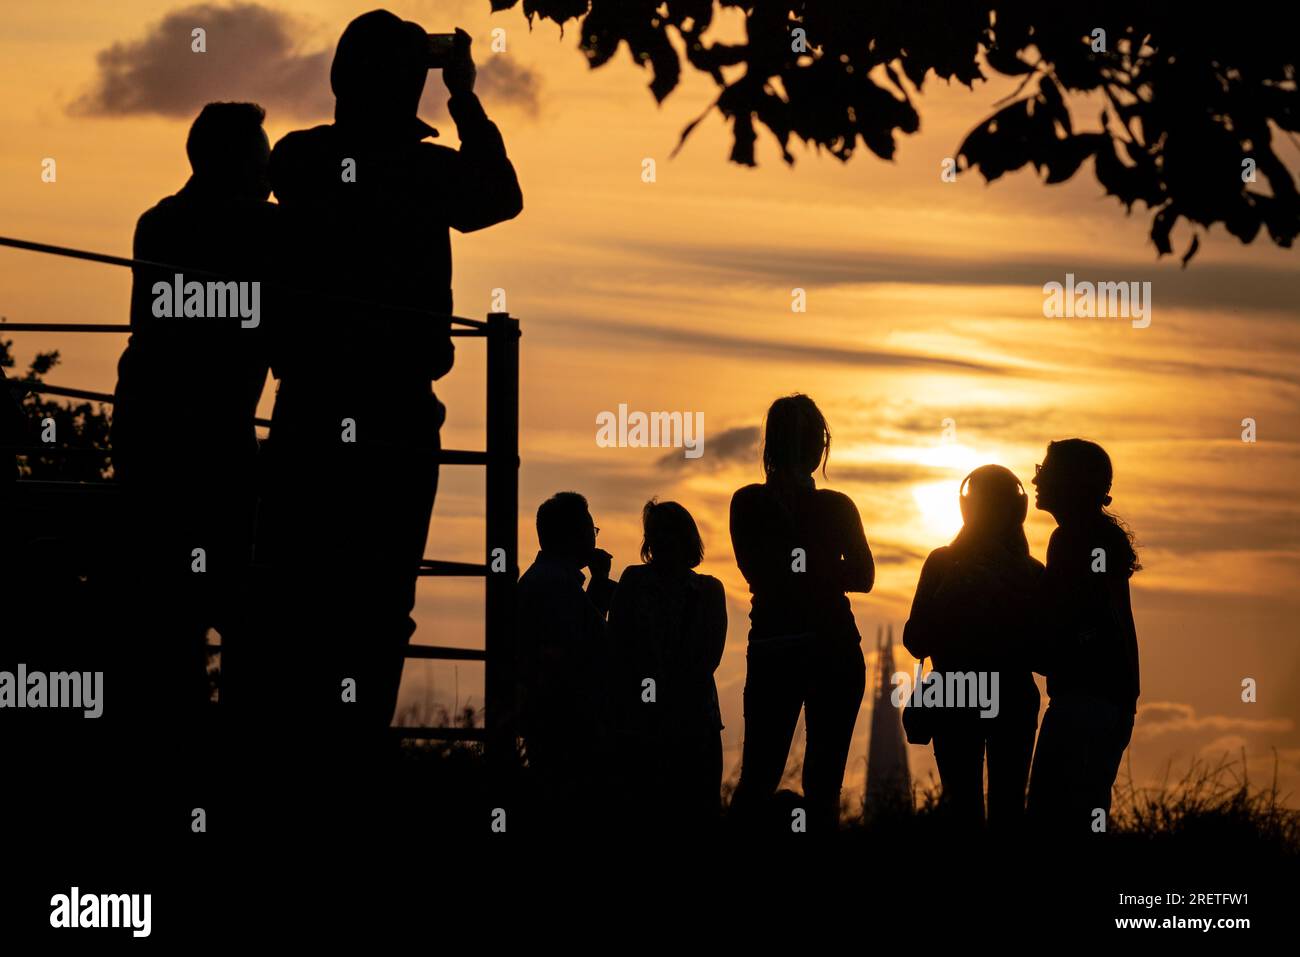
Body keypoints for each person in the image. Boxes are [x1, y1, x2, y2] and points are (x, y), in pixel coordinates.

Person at [254, 10, 523, 769]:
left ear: (341, 79)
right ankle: (352, 756)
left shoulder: (299, 160)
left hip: (309, 401)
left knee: (294, 590)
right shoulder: (425, 173)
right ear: (412, 86)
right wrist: (462, 96)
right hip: (396, 409)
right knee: (379, 602)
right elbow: (501, 194)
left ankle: (283, 754)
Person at [110, 101, 276, 752]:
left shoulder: (158, 223)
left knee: (162, 605)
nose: (268, 171)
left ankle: (163, 742)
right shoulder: (262, 230)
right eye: (260, 158)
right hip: (211, 433)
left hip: (152, 426)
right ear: (236, 163)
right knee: (237, 603)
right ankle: (227, 751)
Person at [728, 394, 874, 833]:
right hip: (827, 647)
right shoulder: (832, 506)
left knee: (762, 776)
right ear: (818, 448)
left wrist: (802, 566)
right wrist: (826, 568)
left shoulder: (749, 502)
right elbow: (861, 574)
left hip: (785, 646)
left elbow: (764, 573)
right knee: (812, 783)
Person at [902, 465, 1044, 831]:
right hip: (1009, 695)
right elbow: (1046, 656)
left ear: (966, 507)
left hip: (960, 692)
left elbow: (915, 641)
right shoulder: (1031, 572)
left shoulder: (944, 563)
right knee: (1006, 809)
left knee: (962, 809)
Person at [1026, 439, 1141, 834]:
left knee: (1050, 818)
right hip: (1112, 701)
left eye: (1047, 471)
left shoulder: (1072, 540)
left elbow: (1076, 619)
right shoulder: (1098, 538)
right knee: (1088, 816)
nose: (1036, 479)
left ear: (1072, 482)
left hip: (1084, 700)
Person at [608, 499, 727, 833]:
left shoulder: (706, 590)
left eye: (665, 534)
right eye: (655, 535)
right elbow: (618, 648)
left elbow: (707, 659)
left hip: (679, 722)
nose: (658, 543)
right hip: (661, 722)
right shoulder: (636, 582)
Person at [517, 492, 616, 814]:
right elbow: (585, 651)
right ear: (572, 535)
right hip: (566, 726)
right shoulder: (556, 586)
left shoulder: (550, 581)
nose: (594, 537)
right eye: (591, 530)